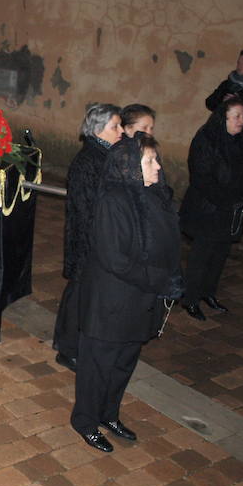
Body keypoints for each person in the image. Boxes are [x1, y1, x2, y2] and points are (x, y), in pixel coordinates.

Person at [71, 133, 182, 452]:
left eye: (156, 160)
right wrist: (159, 278)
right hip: (112, 302)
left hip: (140, 300)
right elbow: (115, 258)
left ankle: (109, 414)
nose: (157, 166)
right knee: (98, 366)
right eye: (149, 161)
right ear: (129, 165)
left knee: (123, 364)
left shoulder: (155, 197)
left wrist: (170, 275)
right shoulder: (113, 201)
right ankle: (86, 421)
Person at [53, 103, 123, 371]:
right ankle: (68, 349)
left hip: (96, 240)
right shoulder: (88, 161)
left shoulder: (105, 156)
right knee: (79, 296)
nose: (120, 131)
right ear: (97, 130)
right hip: (88, 241)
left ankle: (71, 344)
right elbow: (88, 209)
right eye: (115, 127)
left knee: (82, 295)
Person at [180, 98, 243, 321]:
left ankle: (208, 293)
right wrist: (226, 200)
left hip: (230, 211)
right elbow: (201, 176)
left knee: (220, 255)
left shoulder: (241, 142)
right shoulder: (206, 139)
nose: (241, 121)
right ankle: (190, 299)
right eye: (236, 116)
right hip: (208, 208)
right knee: (201, 255)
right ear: (223, 117)